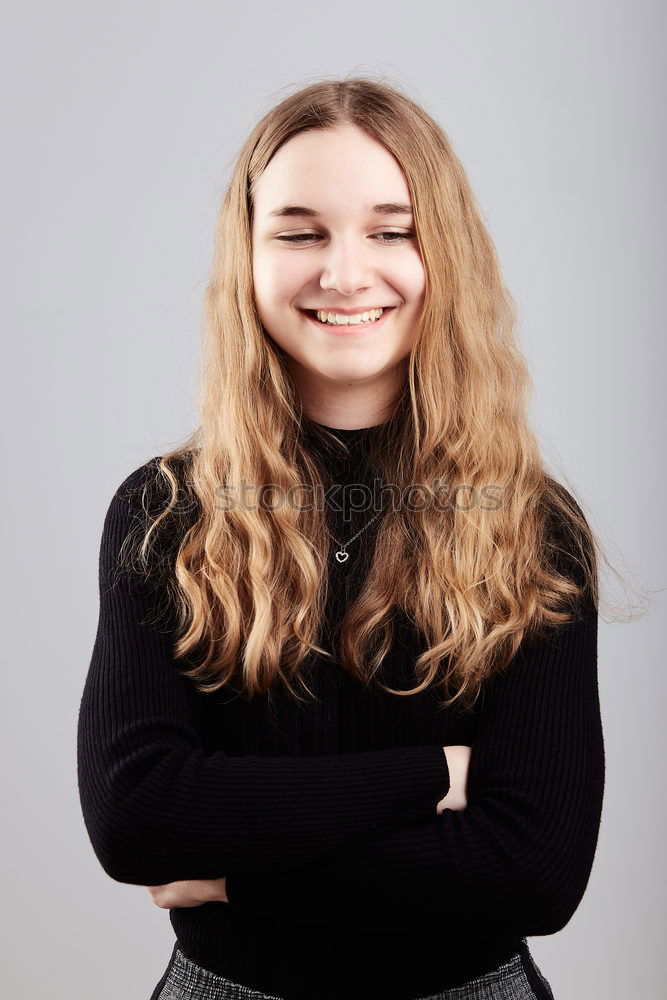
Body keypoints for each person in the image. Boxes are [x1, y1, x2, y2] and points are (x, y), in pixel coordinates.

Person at [77, 76, 609, 1000]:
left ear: (444, 252)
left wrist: (234, 874)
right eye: (299, 231)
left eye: (390, 229)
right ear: (245, 258)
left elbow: (534, 872)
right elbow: (138, 821)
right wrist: (434, 775)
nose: (344, 273)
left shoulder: (531, 526)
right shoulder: (163, 513)